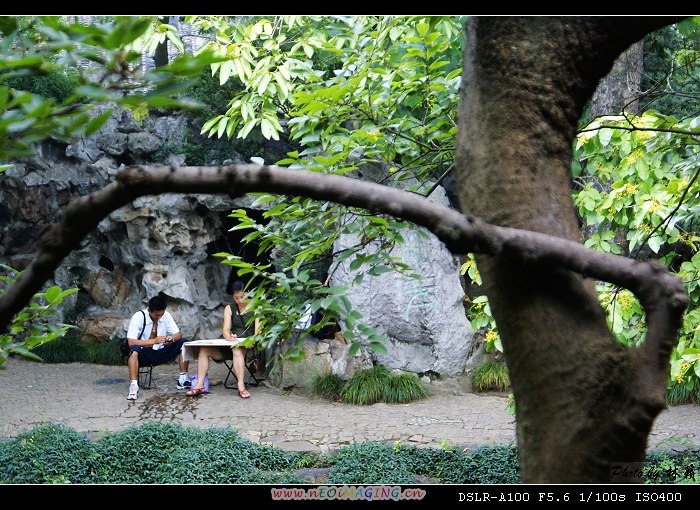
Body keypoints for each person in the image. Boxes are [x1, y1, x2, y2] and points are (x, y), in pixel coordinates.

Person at [186, 281, 259, 399]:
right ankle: (199, 385)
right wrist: (229, 337)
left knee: (237, 349)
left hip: (249, 346)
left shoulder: (256, 307)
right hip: (230, 344)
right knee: (204, 350)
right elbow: (225, 329)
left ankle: (241, 385)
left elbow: (258, 333)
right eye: (236, 298)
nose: (239, 300)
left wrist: (250, 341)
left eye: (242, 297)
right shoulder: (229, 308)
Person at [125, 294, 191, 400]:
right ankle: (133, 386)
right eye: (157, 315)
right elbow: (131, 342)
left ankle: (183, 379)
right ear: (149, 310)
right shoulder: (138, 317)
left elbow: (178, 334)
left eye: (162, 314)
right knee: (134, 350)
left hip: (160, 351)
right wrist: (154, 341)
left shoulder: (166, 315)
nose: (160, 316)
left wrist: (171, 339)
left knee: (184, 343)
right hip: (143, 353)